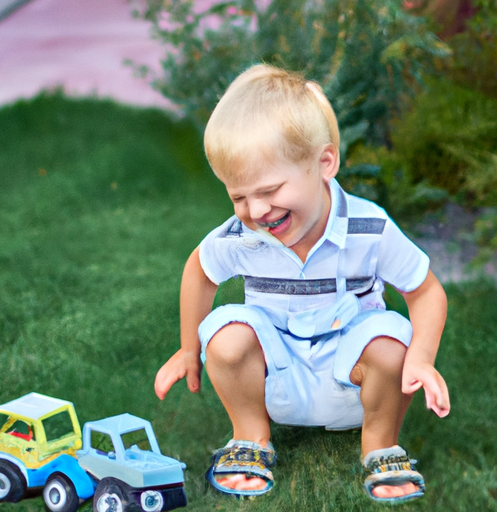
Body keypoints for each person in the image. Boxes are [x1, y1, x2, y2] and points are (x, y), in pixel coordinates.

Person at [154, 64, 450, 503]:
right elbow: (199, 269)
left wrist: (422, 360)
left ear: (324, 163)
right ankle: (251, 437)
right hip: (276, 381)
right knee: (226, 329)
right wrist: (187, 348)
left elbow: (425, 292)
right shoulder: (243, 237)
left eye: (269, 190)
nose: (256, 211)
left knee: (393, 337)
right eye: (238, 196)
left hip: (354, 384)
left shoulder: (368, 228)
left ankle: (380, 445)